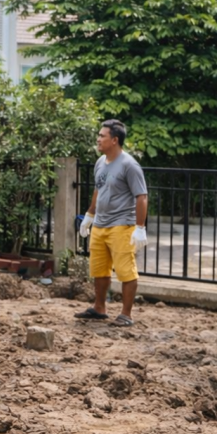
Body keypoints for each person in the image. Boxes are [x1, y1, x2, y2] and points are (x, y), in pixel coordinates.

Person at [75, 119, 148, 327]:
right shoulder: (100, 162)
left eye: (102, 136)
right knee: (99, 269)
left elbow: (141, 196)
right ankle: (99, 308)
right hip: (100, 225)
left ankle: (126, 314)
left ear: (114, 140)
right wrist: (89, 215)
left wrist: (139, 228)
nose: (98, 139)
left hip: (121, 225)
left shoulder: (129, 165)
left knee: (126, 271)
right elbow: (99, 189)